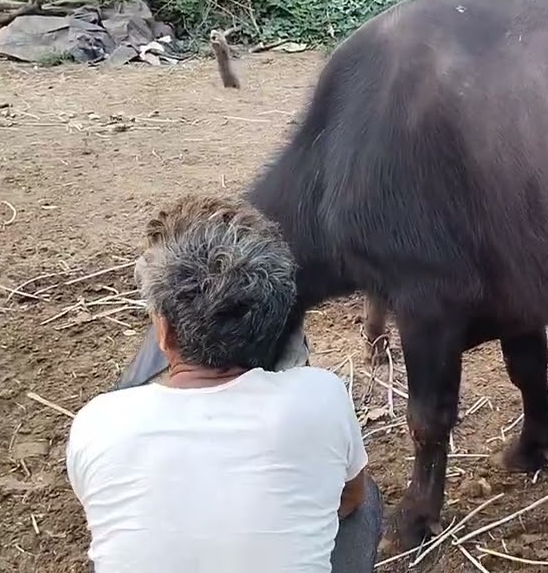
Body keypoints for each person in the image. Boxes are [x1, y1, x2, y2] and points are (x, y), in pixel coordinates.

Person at [65, 195, 383, 573]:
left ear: (163, 333)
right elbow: (350, 499)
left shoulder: (98, 423)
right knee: (367, 501)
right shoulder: (323, 397)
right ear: (275, 323)